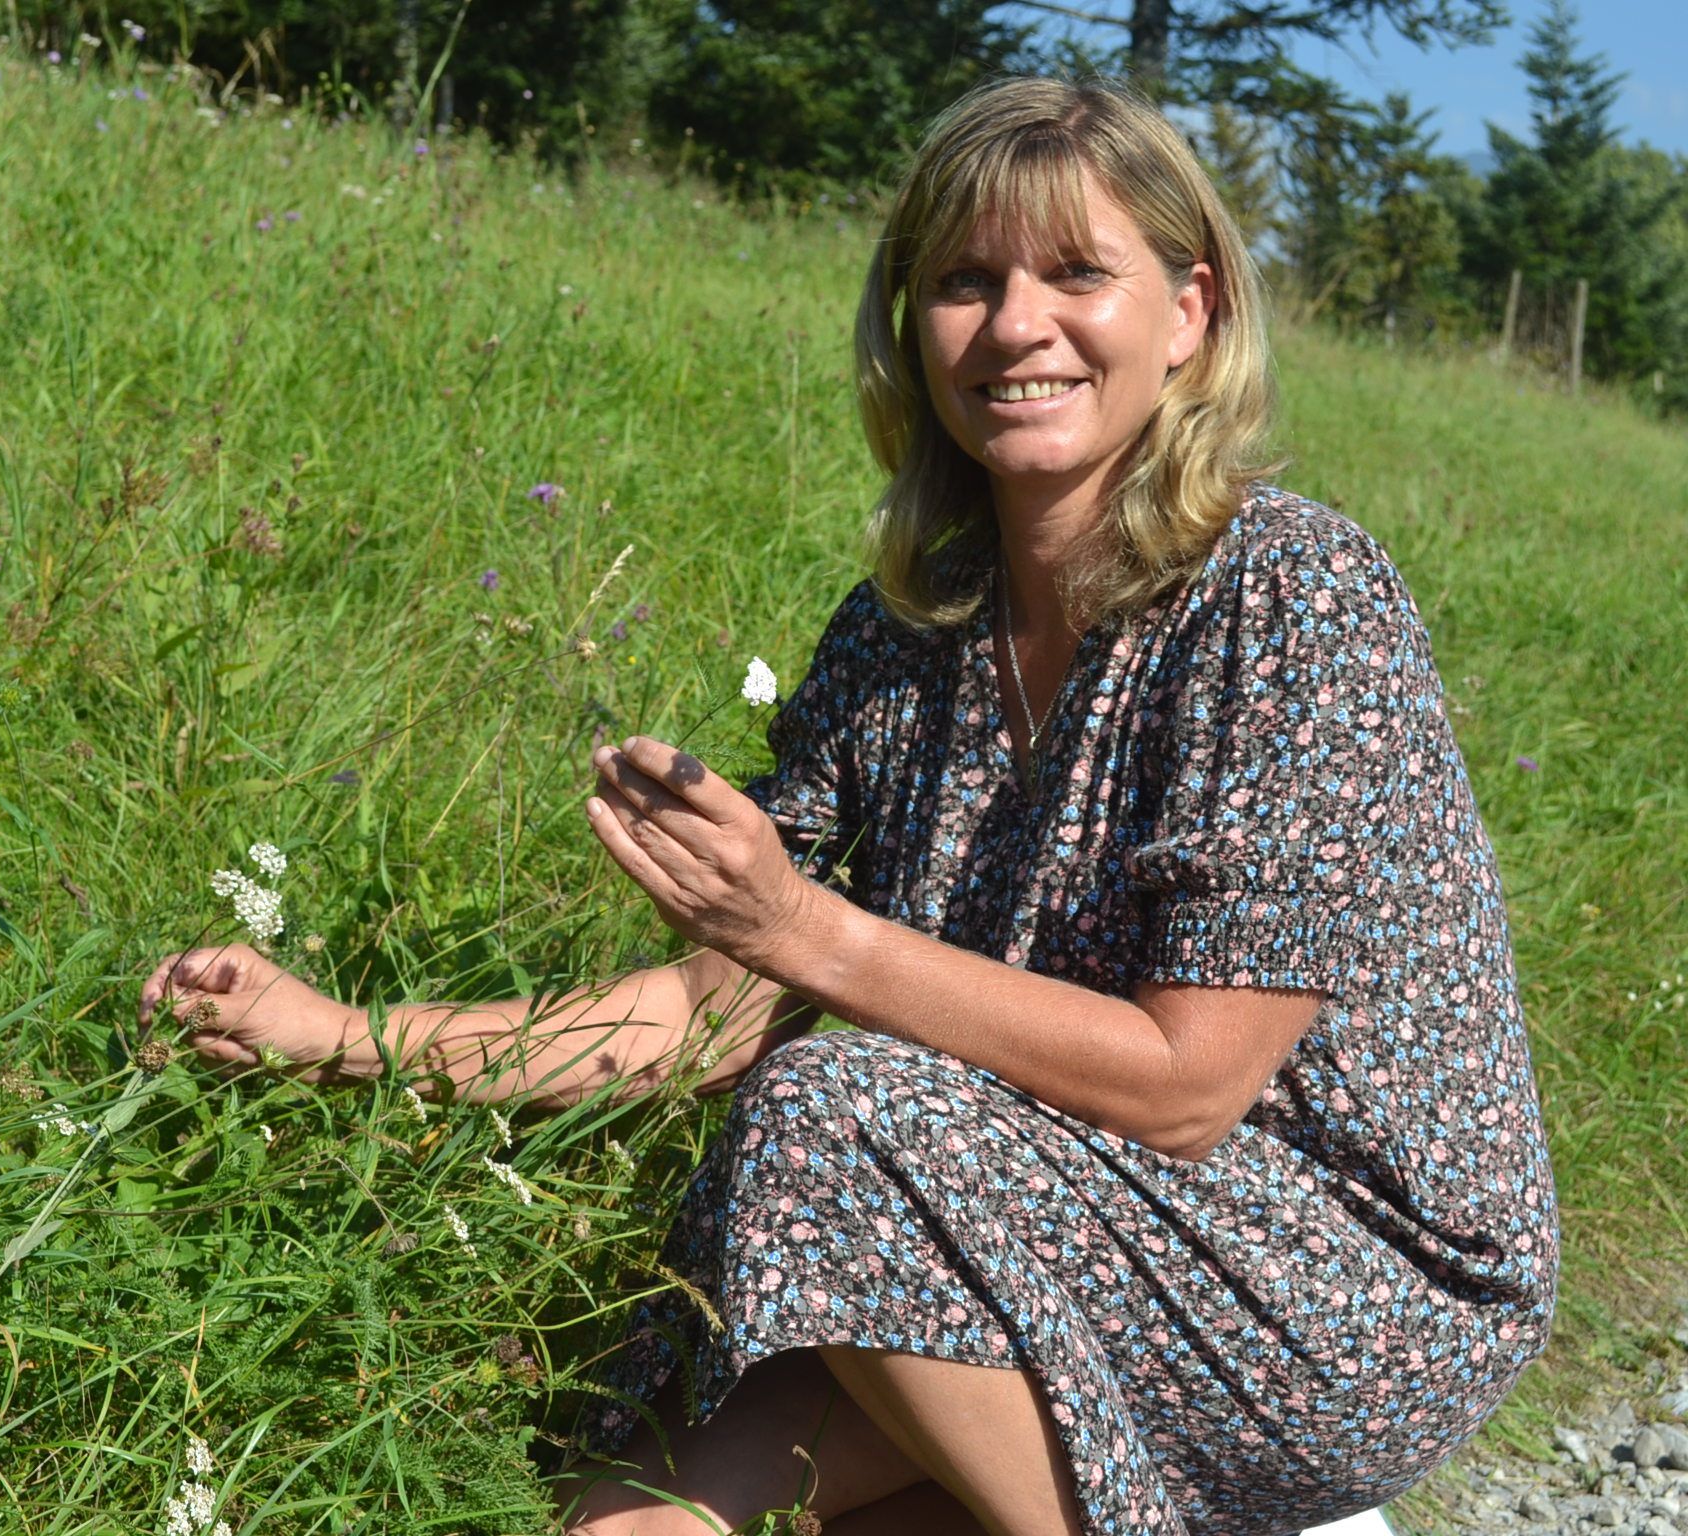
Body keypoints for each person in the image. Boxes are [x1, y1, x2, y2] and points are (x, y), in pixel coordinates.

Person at [139, 76, 1559, 1536]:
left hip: (1345, 1287)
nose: (1015, 326)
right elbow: (713, 1010)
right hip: (1001, 1215)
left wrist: (809, 931)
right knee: (626, 1522)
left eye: (1078, 272)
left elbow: (1187, 1087)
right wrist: (338, 1040)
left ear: (1188, 314)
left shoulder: (1293, 597)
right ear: (911, 325)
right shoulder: (906, 634)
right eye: (963, 281)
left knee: (828, 1106)